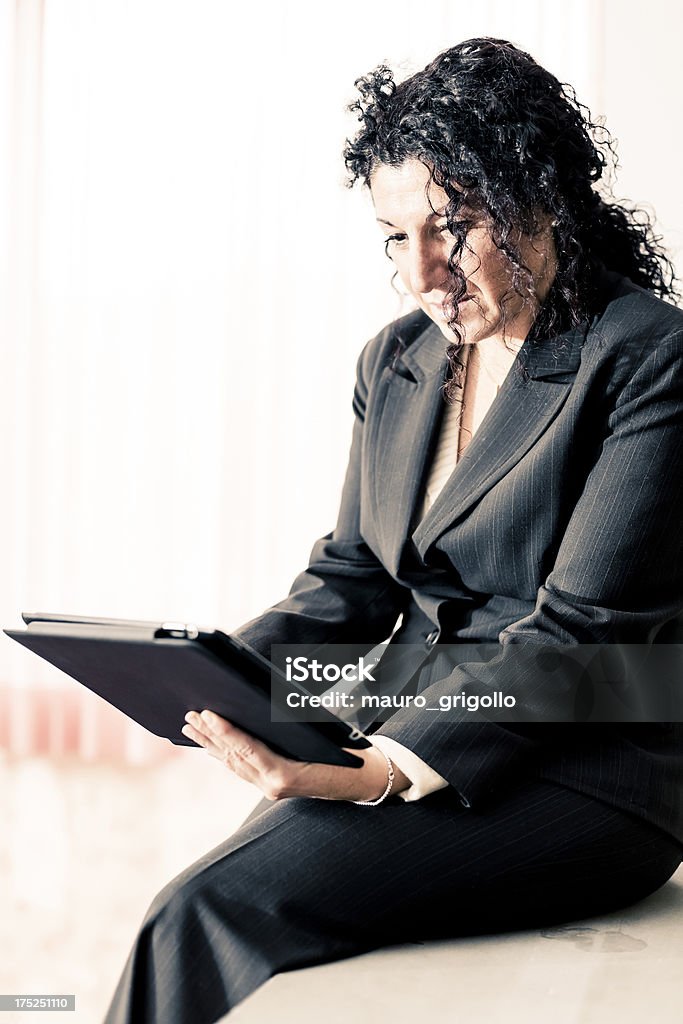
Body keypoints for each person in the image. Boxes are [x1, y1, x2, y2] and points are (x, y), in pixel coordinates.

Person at [103, 38, 683, 1024]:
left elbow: (578, 636)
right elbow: (351, 582)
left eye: (450, 226)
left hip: (591, 770)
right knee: (227, 917)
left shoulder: (643, 358)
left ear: (542, 200)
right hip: (407, 723)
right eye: (391, 233)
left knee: (197, 913)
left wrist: (377, 769)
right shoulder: (398, 361)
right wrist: (216, 677)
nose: (419, 270)